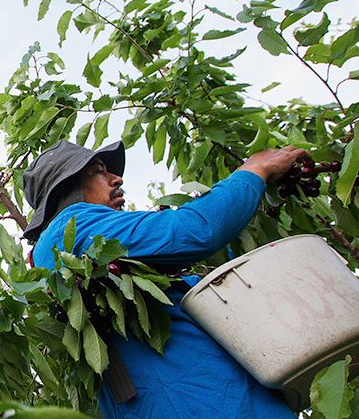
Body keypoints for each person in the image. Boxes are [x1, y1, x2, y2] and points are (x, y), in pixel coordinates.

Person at [23, 139, 305, 418]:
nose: (116, 179)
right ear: (67, 188)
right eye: (99, 170)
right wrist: (254, 170)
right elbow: (195, 230)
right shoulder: (70, 226)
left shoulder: (88, 260)